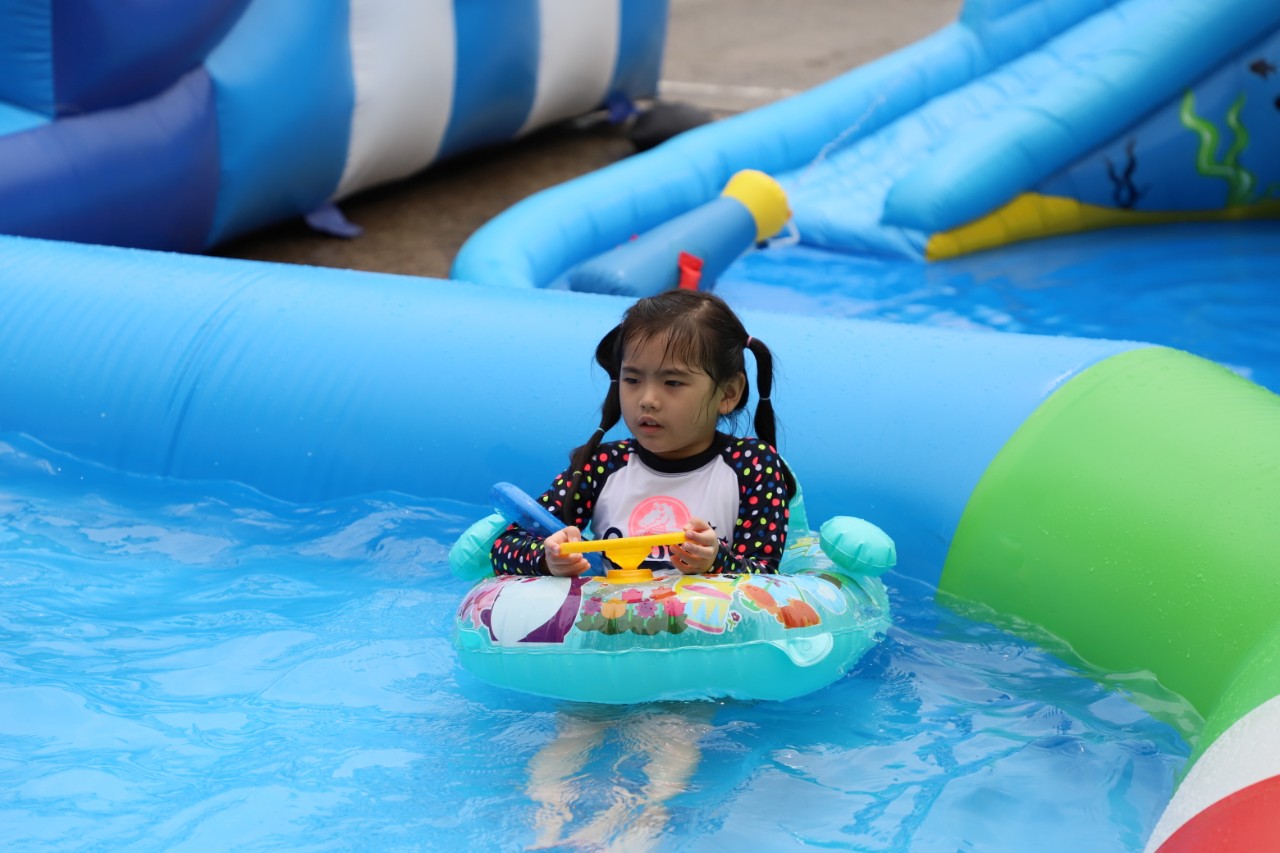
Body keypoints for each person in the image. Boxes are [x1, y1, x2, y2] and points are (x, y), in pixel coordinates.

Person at [491, 289, 794, 579]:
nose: (647, 400)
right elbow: (506, 546)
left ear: (728, 393)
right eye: (633, 380)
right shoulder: (603, 465)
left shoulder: (752, 465)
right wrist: (549, 558)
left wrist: (716, 562)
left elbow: (766, 574)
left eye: (672, 383)